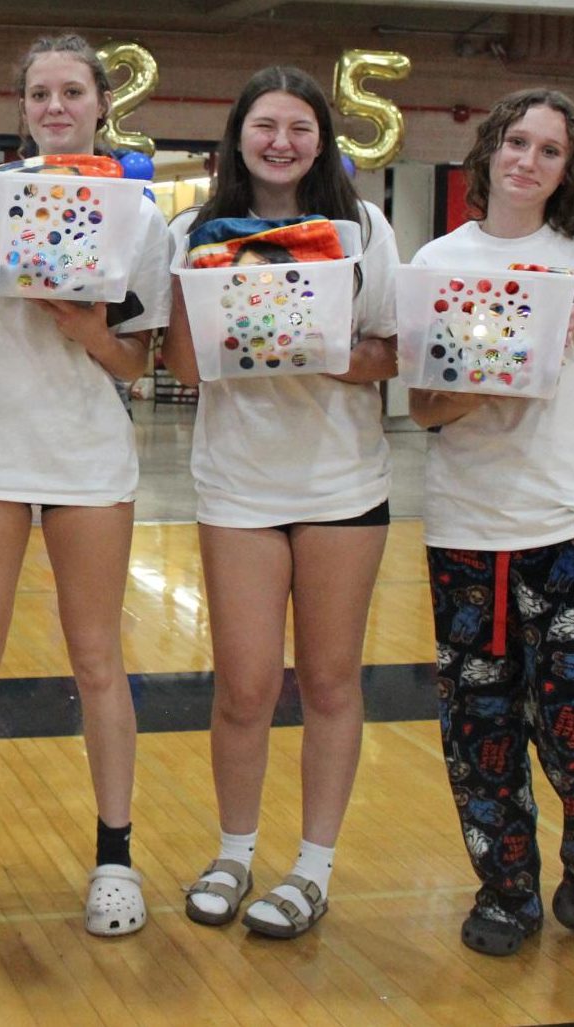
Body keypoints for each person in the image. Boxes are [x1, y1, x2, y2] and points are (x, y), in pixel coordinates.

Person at [0, 33, 171, 935]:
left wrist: (85, 327)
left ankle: (116, 856)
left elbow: (137, 364)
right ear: (20, 107)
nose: (55, 107)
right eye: (39, 94)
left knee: (97, 658)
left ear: (102, 105)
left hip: (89, 458)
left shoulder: (139, 210)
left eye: (72, 92)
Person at [409, 88, 574, 957]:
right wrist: (480, 382)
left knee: (573, 721)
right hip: (468, 528)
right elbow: (425, 409)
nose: (527, 160)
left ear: (569, 167)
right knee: (478, 726)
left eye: (548, 150)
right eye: (515, 142)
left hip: (569, 522)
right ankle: (506, 888)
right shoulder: (443, 258)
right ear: (489, 152)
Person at [162, 66, 401, 939]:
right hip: (238, 485)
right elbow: (184, 369)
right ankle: (234, 850)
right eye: (266, 124)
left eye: (300, 127)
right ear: (239, 135)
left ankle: (312, 867)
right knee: (245, 686)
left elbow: (392, 353)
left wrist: (316, 341)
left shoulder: (365, 228)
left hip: (343, 482)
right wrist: (204, 288)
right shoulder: (193, 228)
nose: (282, 142)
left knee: (332, 681)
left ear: (323, 140)